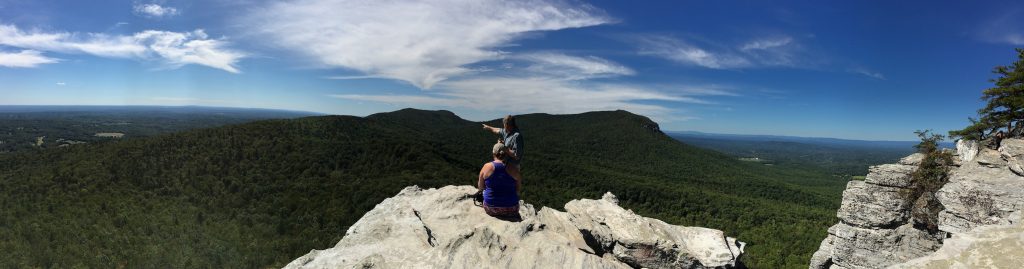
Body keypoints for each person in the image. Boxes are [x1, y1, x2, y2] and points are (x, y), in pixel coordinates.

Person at [477, 142, 522, 221]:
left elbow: (481, 187)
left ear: (493, 153)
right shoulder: (514, 168)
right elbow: (518, 191)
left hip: (491, 208)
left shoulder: (487, 166)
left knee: (484, 192)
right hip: (512, 209)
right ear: (506, 154)